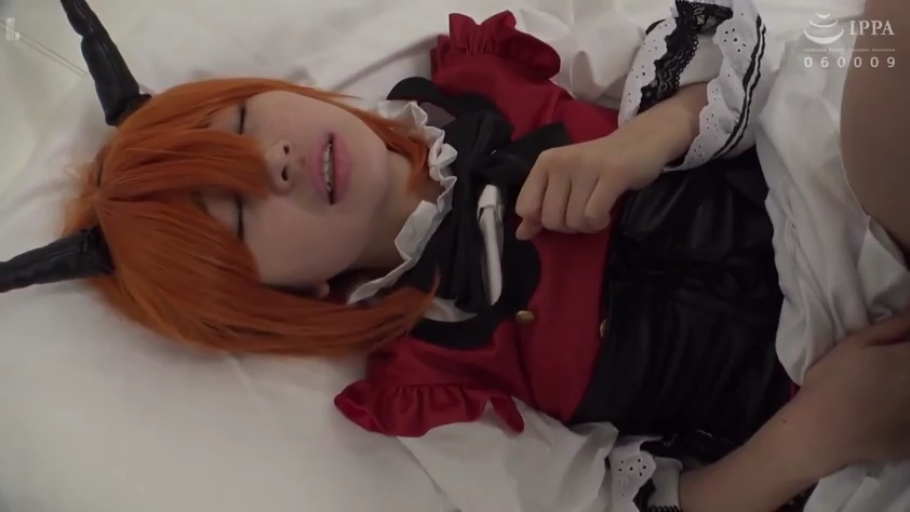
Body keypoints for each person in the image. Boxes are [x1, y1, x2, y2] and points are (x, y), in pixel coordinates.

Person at [0, 0, 908, 511]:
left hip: (843, 197)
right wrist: (816, 438)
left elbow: (753, 67)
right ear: (276, 295)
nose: (271, 160)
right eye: (238, 213)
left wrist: (647, 138)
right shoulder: (427, 387)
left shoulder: (483, 72)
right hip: (845, 399)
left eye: (241, 123)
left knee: (882, 39)